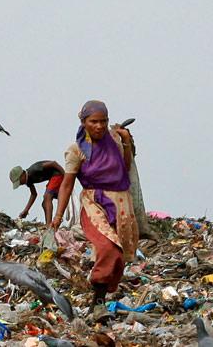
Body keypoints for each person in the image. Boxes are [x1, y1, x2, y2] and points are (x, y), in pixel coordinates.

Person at [50, 100, 138, 322]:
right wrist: (58, 216)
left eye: (103, 121)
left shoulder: (115, 142)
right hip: (94, 203)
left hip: (120, 204)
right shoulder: (77, 150)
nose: (99, 126)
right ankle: (97, 304)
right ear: (83, 122)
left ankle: (99, 300)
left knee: (120, 257)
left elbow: (125, 169)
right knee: (108, 248)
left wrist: (127, 142)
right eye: (94, 122)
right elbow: (67, 184)